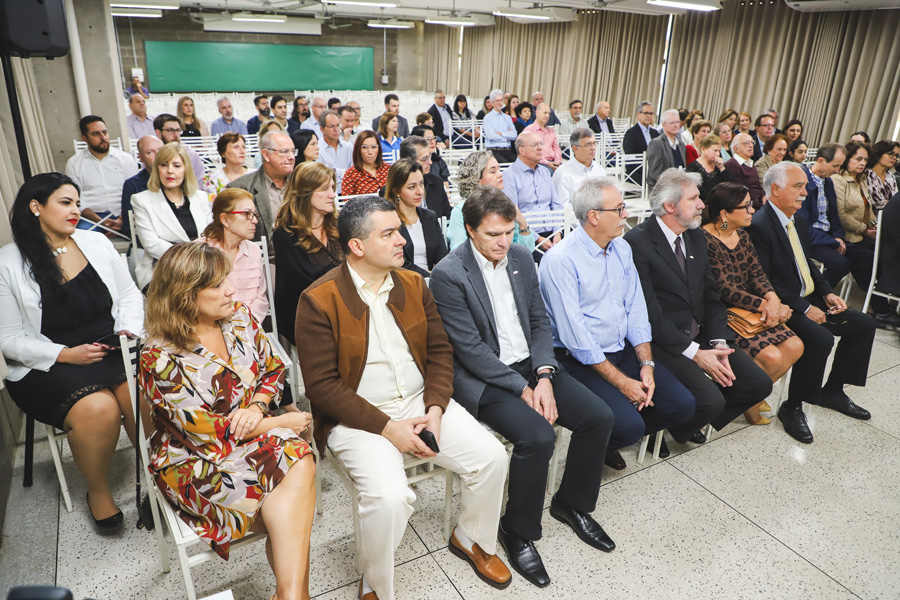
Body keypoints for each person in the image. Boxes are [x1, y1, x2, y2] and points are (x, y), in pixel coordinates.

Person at [295, 196, 512, 600]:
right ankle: (375, 583)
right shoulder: (318, 299)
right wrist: (388, 428)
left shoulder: (412, 284)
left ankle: (471, 538)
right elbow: (322, 387)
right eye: (390, 233)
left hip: (419, 401)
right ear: (357, 246)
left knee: (492, 458)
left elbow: (440, 352)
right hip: (358, 416)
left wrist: (435, 408)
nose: (403, 240)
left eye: (400, 230)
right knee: (390, 497)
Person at [431, 186, 617, 588]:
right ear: (470, 230)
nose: (504, 242)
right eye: (493, 234)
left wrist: (545, 376)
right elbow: (470, 349)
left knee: (598, 417)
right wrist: (522, 388)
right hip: (485, 378)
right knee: (537, 436)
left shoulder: (519, 256)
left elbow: (538, 321)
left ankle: (571, 504)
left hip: (533, 366)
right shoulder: (449, 274)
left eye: (509, 232)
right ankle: (517, 530)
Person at [141, 242, 316, 599]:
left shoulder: (239, 317)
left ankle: (290, 595)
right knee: (297, 473)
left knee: (295, 472)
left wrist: (257, 408)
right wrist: (276, 424)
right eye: (218, 285)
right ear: (185, 294)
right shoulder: (158, 356)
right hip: (195, 459)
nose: (231, 290)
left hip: (256, 438)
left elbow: (272, 368)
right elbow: (202, 431)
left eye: (228, 279)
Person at [0, 172, 144, 533]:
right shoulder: (7, 263)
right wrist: (65, 355)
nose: (75, 210)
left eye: (78, 203)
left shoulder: (96, 243)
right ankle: (98, 491)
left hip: (110, 344)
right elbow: (8, 339)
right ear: (36, 207)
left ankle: (156, 476)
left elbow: (129, 295)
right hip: (48, 361)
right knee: (99, 409)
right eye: (65, 203)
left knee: (140, 395)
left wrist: (127, 329)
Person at [540, 176, 695, 471]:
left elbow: (636, 310)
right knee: (629, 426)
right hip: (577, 359)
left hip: (619, 347)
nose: (626, 214)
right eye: (619, 209)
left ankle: (607, 438)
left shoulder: (621, 248)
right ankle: (606, 436)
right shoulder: (561, 260)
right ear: (594, 216)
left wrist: (646, 365)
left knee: (682, 405)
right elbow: (577, 338)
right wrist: (624, 384)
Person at [625, 169, 773, 452]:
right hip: (664, 340)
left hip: (701, 332)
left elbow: (711, 295)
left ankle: (679, 423)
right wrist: (696, 354)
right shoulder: (637, 243)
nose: (702, 205)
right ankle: (657, 424)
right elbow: (650, 315)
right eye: (693, 198)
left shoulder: (694, 236)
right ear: (670, 206)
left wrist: (718, 343)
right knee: (711, 401)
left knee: (758, 384)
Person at [748, 162, 875, 444]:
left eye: (805, 186)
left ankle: (833, 391)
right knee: (820, 338)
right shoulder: (759, 225)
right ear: (776, 189)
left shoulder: (799, 220)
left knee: (864, 324)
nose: (805, 192)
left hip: (808, 296)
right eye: (798, 186)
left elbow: (806, 264)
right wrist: (805, 308)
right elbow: (765, 281)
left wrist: (827, 292)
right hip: (783, 304)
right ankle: (792, 406)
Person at [701, 182, 803, 425]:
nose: (752, 210)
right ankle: (750, 402)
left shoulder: (742, 236)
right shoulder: (705, 240)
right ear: (724, 213)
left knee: (796, 346)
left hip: (749, 309)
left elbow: (757, 274)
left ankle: (751, 399)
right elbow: (724, 289)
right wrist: (764, 306)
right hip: (721, 312)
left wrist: (772, 298)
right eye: (746, 206)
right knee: (772, 357)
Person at [273, 162, 343, 347]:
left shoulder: (339, 226)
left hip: (345, 309)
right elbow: (306, 284)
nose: (333, 195)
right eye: (325, 189)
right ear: (305, 192)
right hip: (309, 315)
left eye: (332, 188)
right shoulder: (285, 235)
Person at [131, 143, 212, 290]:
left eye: (177, 165)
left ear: (186, 169)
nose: (170, 171)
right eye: (164, 165)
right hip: (161, 269)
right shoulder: (141, 200)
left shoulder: (200, 197)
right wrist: (189, 257)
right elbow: (151, 244)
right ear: (157, 169)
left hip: (201, 267)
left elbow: (210, 236)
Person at [201, 188, 268, 322]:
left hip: (249, 325)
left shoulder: (254, 250)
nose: (255, 220)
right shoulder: (201, 252)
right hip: (211, 326)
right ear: (225, 220)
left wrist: (243, 324)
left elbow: (261, 300)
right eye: (247, 214)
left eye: (254, 214)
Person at [447, 150, 535, 251]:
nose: (500, 174)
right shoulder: (459, 212)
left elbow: (526, 252)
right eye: (493, 172)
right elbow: (457, 251)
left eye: (499, 169)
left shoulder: (506, 206)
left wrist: (522, 224)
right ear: (477, 180)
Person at [65, 115, 139, 236]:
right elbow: (76, 199)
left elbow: (134, 193)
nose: (103, 137)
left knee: (142, 233)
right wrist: (100, 222)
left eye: (105, 132)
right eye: (96, 134)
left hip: (125, 213)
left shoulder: (125, 159)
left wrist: (121, 219)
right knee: (83, 236)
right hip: (92, 217)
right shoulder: (74, 163)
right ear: (85, 138)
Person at [383, 159, 448, 276]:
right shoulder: (388, 221)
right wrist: (430, 276)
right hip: (402, 279)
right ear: (396, 191)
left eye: (421, 183)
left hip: (432, 280)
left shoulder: (430, 217)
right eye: (412, 187)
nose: (420, 191)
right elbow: (399, 264)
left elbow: (443, 258)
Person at [228, 131, 296, 245]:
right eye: (284, 152)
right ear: (266, 155)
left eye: (293, 151)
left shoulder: (301, 182)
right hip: (264, 254)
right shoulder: (241, 188)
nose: (291, 157)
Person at [504, 132, 564, 256]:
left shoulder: (545, 172)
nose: (540, 148)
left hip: (553, 232)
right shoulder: (509, 175)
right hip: (527, 236)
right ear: (522, 150)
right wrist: (537, 239)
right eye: (535, 145)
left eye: (541, 143)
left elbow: (556, 205)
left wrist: (558, 233)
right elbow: (512, 213)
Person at [397, 136, 451, 218]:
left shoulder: (436, 182)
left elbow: (447, 214)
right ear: (408, 161)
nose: (430, 162)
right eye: (424, 159)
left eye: (429, 156)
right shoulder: (393, 188)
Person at [121, 135, 163, 237]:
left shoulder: (180, 179)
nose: (158, 156)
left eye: (161, 150)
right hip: (148, 239)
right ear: (140, 158)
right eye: (150, 152)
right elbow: (129, 226)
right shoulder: (132, 185)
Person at [553, 129, 607, 206]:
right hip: (574, 213)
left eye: (594, 143)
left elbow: (605, 198)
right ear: (575, 149)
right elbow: (562, 207)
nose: (593, 148)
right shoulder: (562, 173)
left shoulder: (599, 169)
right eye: (588, 145)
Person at [153, 113, 205, 188]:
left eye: (178, 130)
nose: (176, 135)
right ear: (158, 133)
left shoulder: (191, 155)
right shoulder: (153, 155)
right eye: (170, 130)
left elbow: (200, 183)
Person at [645, 109, 687, 193]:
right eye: (672, 123)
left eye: (677, 122)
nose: (676, 125)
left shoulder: (681, 144)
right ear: (663, 125)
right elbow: (655, 174)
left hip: (678, 187)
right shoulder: (656, 144)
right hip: (662, 189)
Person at [340, 130, 391, 196]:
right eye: (365, 147)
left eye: (373, 147)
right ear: (358, 149)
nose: (370, 152)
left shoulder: (388, 169)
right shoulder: (351, 174)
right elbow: (346, 200)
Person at [622, 101, 660, 185]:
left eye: (651, 113)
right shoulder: (630, 133)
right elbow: (630, 159)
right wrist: (648, 170)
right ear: (638, 114)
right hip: (636, 172)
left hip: (654, 171)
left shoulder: (654, 133)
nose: (649, 116)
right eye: (646, 113)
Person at [203, 132, 248, 202]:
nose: (242, 151)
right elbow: (210, 205)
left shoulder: (256, 175)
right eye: (236, 147)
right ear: (223, 153)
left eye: (243, 147)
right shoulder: (212, 178)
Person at [725, 133, 765, 208]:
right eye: (746, 143)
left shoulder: (750, 163)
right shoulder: (732, 165)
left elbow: (756, 187)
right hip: (747, 205)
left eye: (752, 142)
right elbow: (738, 192)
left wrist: (764, 196)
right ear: (736, 148)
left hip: (759, 202)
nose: (751, 145)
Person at [317, 110, 353, 191]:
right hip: (326, 191)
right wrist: (344, 173)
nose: (336, 129)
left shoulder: (348, 147)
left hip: (348, 190)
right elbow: (322, 175)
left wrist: (334, 171)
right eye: (331, 126)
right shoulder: (317, 149)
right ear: (322, 129)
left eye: (338, 125)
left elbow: (354, 173)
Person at [686, 135, 729, 200]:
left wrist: (722, 168)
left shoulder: (720, 166)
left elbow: (729, 186)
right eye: (715, 150)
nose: (718, 154)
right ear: (703, 149)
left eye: (719, 151)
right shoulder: (693, 168)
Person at [483, 89, 518, 163]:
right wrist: (506, 137)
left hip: (507, 150)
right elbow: (491, 136)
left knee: (519, 164)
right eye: (497, 101)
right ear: (492, 103)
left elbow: (514, 135)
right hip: (493, 150)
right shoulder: (487, 118)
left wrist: (501, 133)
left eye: (501, 100)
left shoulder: (507, 117)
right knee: (505, 164)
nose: (500, 103)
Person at [524, 104, 563, 170]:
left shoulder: (551, 130)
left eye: (548, 114)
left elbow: (556, 147)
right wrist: (548, 163)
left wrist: (557, 161)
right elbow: (531, 152)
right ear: (537, 112)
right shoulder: (529, 130)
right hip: (538, 163)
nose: (547, 116)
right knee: (549, 172)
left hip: (553, 162)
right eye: (545, 113)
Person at [865, 139, 899, 211]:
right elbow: (873, 202)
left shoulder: (891, 176)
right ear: (879, 153)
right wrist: (890, 204)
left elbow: (895, 201)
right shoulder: (867, 174)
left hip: (887, 215)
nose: (894, 157)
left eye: (896, 155)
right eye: (890, 153)